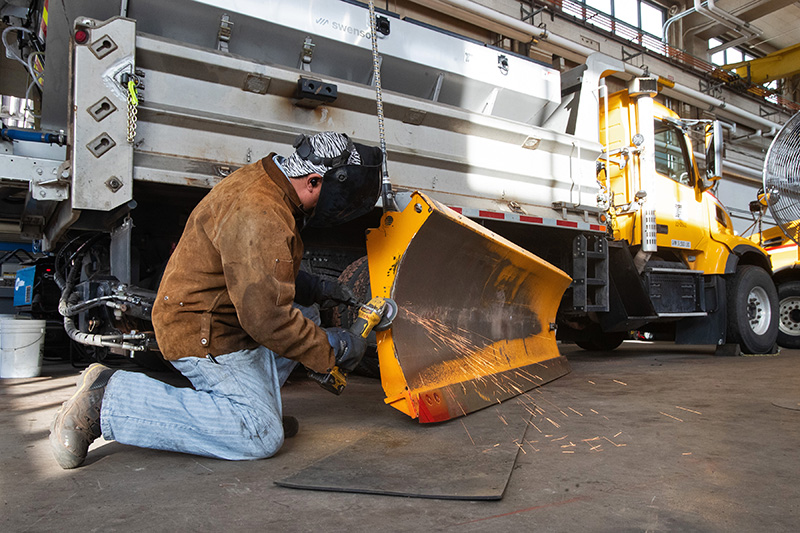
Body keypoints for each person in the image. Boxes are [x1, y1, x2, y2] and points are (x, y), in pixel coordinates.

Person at [49, 132, 381, 469]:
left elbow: (258, 267)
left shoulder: (269, 181)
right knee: (262, 435)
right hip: (202, 327)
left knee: (305, 314)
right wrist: (330, 349)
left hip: (220, 311)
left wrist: (317, 287)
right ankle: (108, 399)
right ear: (312, 181)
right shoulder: (261, 212)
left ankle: (246, 409)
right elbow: (265, 318)